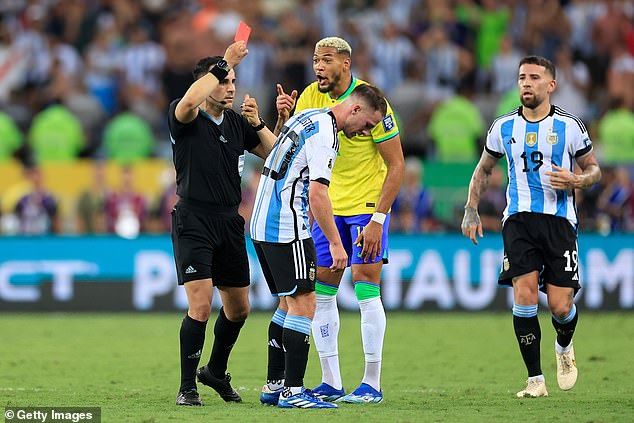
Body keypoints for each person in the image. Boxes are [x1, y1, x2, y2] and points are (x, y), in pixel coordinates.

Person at [461, 56, 601, 398]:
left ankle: (564, 347)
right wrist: (471, 209)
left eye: (534, 77)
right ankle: (535, 380)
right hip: (519, 220)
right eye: (522, 77)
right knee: (523, 294)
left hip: (559, 222)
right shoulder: (502, 127)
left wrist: (576, 179)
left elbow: (595, 170)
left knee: (560, 306)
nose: (526, 83)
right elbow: (483, 169)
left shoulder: (570, 126)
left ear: (550, 85)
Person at [274, 37, 405, 404]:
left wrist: (379, 218)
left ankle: (371, 383)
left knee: (365, 285)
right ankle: (330, 381)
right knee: (322, 291)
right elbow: (289, 146)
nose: (318, 66)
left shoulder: (372, 102)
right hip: (325, 205)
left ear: (346, 63)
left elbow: (397, 165)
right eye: (315, 59)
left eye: (326, 60)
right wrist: (283, 117)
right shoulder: (310, 97)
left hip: (366, 204)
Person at [251, 83, 388, 409]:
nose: (364, 132)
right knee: (305, 303)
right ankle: (294, 392)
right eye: (367, 124)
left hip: (260, 220)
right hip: (287, 223)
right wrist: (336, 244)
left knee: (287, 303)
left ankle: (274, 386)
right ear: (354, 110)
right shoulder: (328, 133)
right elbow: (317, 194)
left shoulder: (308, 116)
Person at [168, 40, 275, 406]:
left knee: (239, 309)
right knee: (200, 305)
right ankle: (187, 387)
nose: (230, 87)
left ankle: (214, 370)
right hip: (193, 219)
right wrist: (223, 62)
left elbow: (277, 155)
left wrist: (259, 122)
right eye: (224, 81)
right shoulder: (185, 117)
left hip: (230, 222)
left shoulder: (235, 122)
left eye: (233, 81)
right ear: (206, 83)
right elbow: (186, 102)